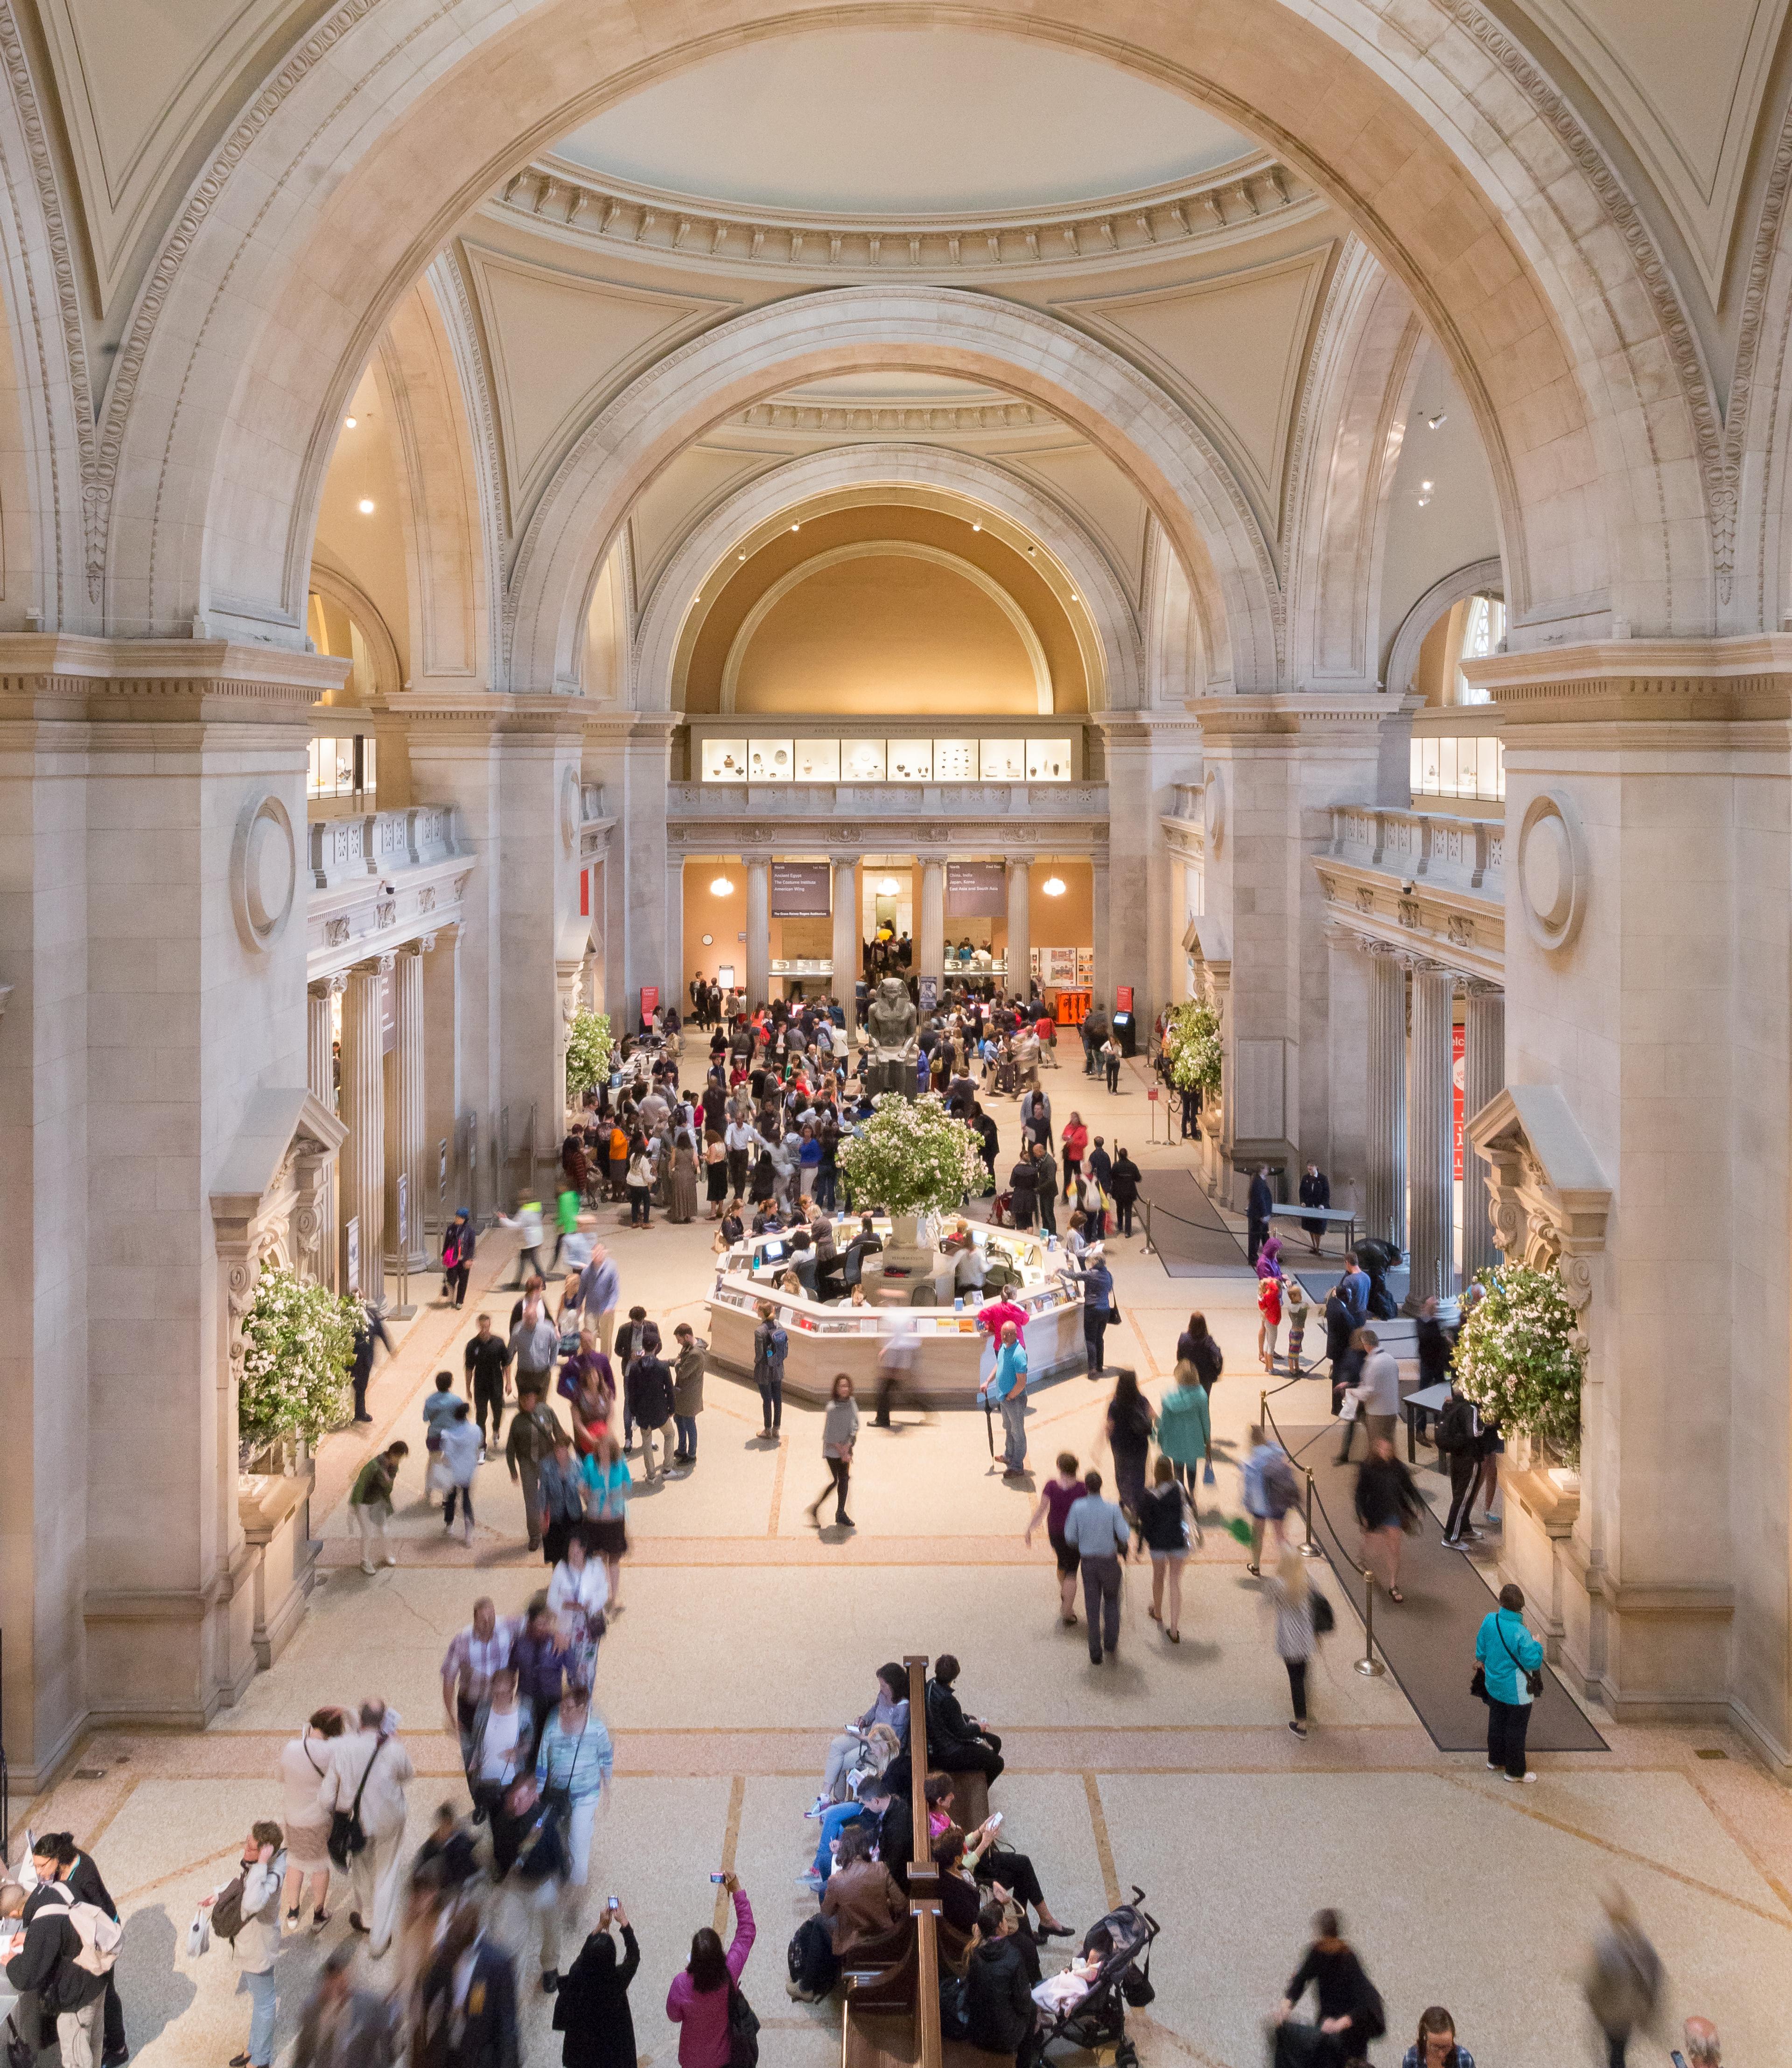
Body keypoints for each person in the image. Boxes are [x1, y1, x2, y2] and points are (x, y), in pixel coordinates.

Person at [21, 1832, 128, 2066]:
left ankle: (119, 2048)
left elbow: (94, 1919)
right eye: (36, 1865)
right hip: (89, 1938)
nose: (39, 1872)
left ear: (57, 1858)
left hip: (101, 1940)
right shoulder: (64, 1867)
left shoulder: (84, 1876)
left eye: (42, 1865)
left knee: (106, 1993)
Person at [319, 1700, 413, 1957]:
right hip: (390, 1820)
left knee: (361, 1870)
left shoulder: (345, 1748)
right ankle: (380, 1939)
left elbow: (326, 1798)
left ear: (361, 1722)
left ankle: (368, 1918)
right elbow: (408, 1775)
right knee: (386, 1874)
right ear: (383, 1722)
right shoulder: (393, 1748)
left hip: (357, 1823)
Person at [1, 1876, 109, 2068]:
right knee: (94, 2044)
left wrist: (11, 1963)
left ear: (15, 1912)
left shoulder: (42, 1927)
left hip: (78, 1999)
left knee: (77, 2060)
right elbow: (65, 1931)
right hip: (98, 1978)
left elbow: (25, 1978)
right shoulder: (61, 1888)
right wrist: (31, 1939)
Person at [212, 1822, 286, 2068]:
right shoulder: (257, 1868)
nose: (246, 1850)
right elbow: (243, 1888)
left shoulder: (269, 1875)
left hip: (259, 1948)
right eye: (247, 1842)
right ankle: (254, 2049)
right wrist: (218, 1896)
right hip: (250, 1946)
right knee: (260, 2001)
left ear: (266, 1852)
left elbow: (253, 1901)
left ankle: (261, 2059)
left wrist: (262, 1863)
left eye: (252, 1847)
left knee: (265, 2004)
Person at [1272, 1909, 1383, 2068]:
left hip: (1351, 2033)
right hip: (1326, 2025)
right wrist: (1287, 2004)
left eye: (1327, 1941)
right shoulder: (1317, 1952)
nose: (1324, 1945)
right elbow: (1300, 1980)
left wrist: (1340, 2024)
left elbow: (1365, 2004)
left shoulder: (1348, 1958)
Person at [412, 1902, 518, 2068]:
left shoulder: (498, 1964)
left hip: (479, 2056)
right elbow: (425, 1996)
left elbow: (507, 2024)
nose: (451, 1953)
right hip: (447, 2050)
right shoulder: (445, 1953)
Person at [664, 1874, 754, 2068]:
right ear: (721, 1954)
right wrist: (737, 1889)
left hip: (691, 2059)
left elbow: (674, 2016)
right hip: (723, 2057)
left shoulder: (681, 1984)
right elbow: (747, 1932)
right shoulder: (730, 1972)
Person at [534, 1684, 614, 1892]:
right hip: (558, 1793)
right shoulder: (552, 1728)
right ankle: (565, 1870)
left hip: (587, 1794)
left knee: (579, 1837)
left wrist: (607, 1789)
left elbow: (606, 1758)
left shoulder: (597, 1730)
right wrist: (539, 1791)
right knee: (561, 1833)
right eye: (563, 1707)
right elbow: (543, 1761)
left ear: (583, 1709)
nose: (564, 1712)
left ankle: (578, 1883)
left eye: (570, 1708)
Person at [553, 1901, 640, 2068]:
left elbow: (584, 1955)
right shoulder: (617, 1980)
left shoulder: (577, 1973)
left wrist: (600, 1926)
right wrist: (625, 1923)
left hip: (582, 2052)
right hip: (612, 2052)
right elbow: (634, 1957)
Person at [281, 1707, 346, 1928]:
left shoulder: (291, 1748)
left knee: (295, 1862)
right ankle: (319, 1914)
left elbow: (279, 1776)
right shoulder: (332, 1753)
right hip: (319, 1820)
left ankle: (293, 1911)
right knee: (320, 1866)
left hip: (293, 1816)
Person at [1582, 1888, 1662, 2068]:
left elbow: (1596, 1985)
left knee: (1615, 2053)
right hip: (1629, 2012)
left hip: (1613, 2015)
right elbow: (1655, 1973)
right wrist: (1651, 2005)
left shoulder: (1606, 1947)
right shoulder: (1642, 1942)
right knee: (1619, 2049)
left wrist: (1596, 2007)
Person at [1475, 1580, 1546, 1782]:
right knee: (1516, 1729)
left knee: (1496, 1721)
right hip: (1517, 1692)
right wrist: (1537, 1644)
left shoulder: (1490, 1620)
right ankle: (1515, 1772)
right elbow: (1533, 1662)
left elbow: (1481, 1647)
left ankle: (1495, 1759)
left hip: (1494, 1685)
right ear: (1521, 1606)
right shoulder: (1521, 1632)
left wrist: (1483, 1660)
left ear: (1501, 1600)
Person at [1063, 1468, 1132, 1664]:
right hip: (1109, 1562)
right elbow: (1125, 1535)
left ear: (1086, 1487)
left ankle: (1095, 1651)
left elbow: (1070, 1536)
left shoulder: (1078, 1507)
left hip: (1088, 1564)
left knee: (1092, 1606)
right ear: (1101, 1486)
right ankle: (1111, 1642)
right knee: (1112, 1601)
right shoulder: (1112, 1509)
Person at [290, 1942, 394, 2068]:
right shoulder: (311, 2009)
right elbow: (303, 2056)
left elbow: (387, 2047)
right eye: (330, 1983)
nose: (335, 1993)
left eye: (342, 1986)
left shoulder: (371, 2006)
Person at [818, 1828, 905, 1960]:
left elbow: (826, 1913)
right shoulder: (881, 1868)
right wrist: (883, 1903)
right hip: (885, 1936)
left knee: (818, 1923)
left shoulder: (835, 1881)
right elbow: (901, 1904)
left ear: (844, 1848)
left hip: (854, 1943)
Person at [1355, 1435, 1421, 1604]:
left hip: (1392, 1513)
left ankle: (1393, 1585)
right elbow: (1360, 1493)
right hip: (1374, 1513)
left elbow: (1409, 1488)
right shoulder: (1367, 1468)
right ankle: (1362, 1559)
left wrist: (1418, 1506)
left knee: (1394, 1549)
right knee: (1372, 1545)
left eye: (1389, 1450)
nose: (1386, 1453)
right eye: (1383, 1449)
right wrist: (1362, 1515)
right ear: (1376, 1450)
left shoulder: (1398, 1468)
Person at [1136, 1456, 1196, 1641]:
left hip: (1158, 1544)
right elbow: (1191, 1508)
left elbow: (1144, 1524)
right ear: (1171, 1471)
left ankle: (1158, 1612)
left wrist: (1139, 1547)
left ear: (1156, 1473)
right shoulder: (1179, 1488)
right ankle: (1175, 1629)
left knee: (1158, 1578)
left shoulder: (1149, 1494)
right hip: (1179, 1541)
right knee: (1175, 1582)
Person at [1024, 1453, 1087, 1626]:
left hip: (1056, 1533)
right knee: (1072, 1572)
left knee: (1062, 1564)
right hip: (1075, 1534)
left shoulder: (1051, 1486)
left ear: (1059, 1467)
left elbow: (1042, 1510)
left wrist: (1030, 1529)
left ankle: (1065, 1593)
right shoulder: (1083, 1488)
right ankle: (1067, 1611)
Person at [964, 1901, 1034, 2058]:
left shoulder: (974, 1953)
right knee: (1033, 2008)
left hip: (977, 2031)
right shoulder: (1013, 1956)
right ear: (1001, 1926)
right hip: (1003, 2038)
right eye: (1004, 1919)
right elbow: (1023, 2002)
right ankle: (1025, 2061)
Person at [505, 1384, 566, 1558]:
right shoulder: (518, 1422)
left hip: (548, 1460)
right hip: (527, 1463)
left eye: (530, 1398)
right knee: (531, 1500)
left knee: (553, 1494)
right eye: (523, 1399)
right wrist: (513, 1470)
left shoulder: (546, 1411)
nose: (526, 1402)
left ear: (536, 1398)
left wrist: (564, 1454)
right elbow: (511, 1448)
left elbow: (558, 1431)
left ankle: (555, 1527)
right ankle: (534, 1534)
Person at [925, 1655, 1005, 1781]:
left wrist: (966, 1718)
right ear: (954, 1677)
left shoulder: (930, 1685)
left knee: (995, 1741)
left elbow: (948, 1718)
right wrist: (979, 1728)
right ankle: (979, 1789)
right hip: (949, 1754)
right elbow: (962, 1733)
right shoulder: (949, 1701)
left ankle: (979, 1770)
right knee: (998, 1763)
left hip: (938, 1740)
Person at [1269, 1546, 1317, 1739]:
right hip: (1305, 1640)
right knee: (1304, 1674)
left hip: (1289, 1642)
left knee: (1295, 1679)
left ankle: (1301, 1723)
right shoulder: (1309, 1581)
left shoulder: (1280, 1585)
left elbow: (1270, 1601)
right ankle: (1308, 1709)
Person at [806, 1373, 859, 1531]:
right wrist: (842, 1450)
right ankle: (816, 1509)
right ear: (836, 1389)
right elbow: (828, 1435)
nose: (844, 1389)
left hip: (846, 1448)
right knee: (838, 1480)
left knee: (843, 1479)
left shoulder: (852, 1403)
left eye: (846, 1386)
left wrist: (848, 1445)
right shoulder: (832, 1408)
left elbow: (855, 1425)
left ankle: (840, 1513)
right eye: (841, 1386)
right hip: (833, 1450)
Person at [624, 1324, 674, 1485]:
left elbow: (631, 1393)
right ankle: (667, 1469)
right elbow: (670, 1390)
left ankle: (651, 1475)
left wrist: (633, 1412)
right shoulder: (663, 1367)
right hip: (660, 1411)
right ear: (657, 1347)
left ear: (643, 1347)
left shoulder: (635, 1369)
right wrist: (672, 1409)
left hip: (643, 1413)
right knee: (670, 1434)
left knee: (646, 1441)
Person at [1156, 1358, 1212, 1499]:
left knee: (1178, 1468)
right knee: (1192, 1468)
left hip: (1175, 1440)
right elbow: (1205, 1419)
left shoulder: (1169, 1396)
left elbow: (1164, 1421)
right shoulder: (1201, 1395)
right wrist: (1208, 1438)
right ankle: (1192, 1495)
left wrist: (1160, 1437)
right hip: (1194, 1439)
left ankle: (1181, 1497)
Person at [1435, 1383, 1483, 1547]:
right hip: (1469, 1458)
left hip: (1456, 1456)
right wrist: (1487, 1424)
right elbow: (1475, 1432)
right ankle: (1451, 1537)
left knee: (1460, 1494)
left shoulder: (1449, 1404)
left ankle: (1464, 1527)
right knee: (1462, 1498)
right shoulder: (1471, 1408)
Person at [348, 1442, 407, 1575]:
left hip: (378, 1502)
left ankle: (387, 1555)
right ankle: (365, 1561)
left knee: (384, 1530)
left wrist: (388, 1482)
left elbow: (388, 1489)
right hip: (363, 1502)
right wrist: (353, 1507)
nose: (399, 1461)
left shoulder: (393, 1468)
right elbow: (360, 1486)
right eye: (399, 1457)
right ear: (392, 1454)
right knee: (368, 1532)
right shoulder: (373, 1467)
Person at [1104, 1368, 1155, 1515]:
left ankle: (1124, 1500)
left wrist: (1107, 1440)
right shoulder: (1141, 1400)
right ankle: (1138, 1504)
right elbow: (1153, 1415)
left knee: (1121, 1473)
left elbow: (1109, 1426)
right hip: (1139, 1444)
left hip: (1120, 1445)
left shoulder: (1114, 1405)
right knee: (1139, 1474)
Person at [981, 1321, 1029, 1476]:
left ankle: (1017, 1466)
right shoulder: (1004, 1347)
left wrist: (1010, 1397)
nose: (1005, 1337)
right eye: (1003, 1334)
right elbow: (999, 1364)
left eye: (1008, 1334)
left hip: (1014, 1400)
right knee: (1008, 1429)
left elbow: (1021, 1383)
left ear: (1016, 1334)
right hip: (1005, 1398)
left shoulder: (1019, 1354)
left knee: (1018, 1432)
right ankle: (1009, 1456)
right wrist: (988, 1380)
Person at [538, 1432, 589, 1567]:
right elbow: (543, 1493)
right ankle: (558, 1581)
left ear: (568, 1450)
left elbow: (583, 1487)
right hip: (555, 1515)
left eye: (562, 1450)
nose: (559, 1454)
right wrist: (542, 1516)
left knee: (575, 1552)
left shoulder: (577, 1464)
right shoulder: (546, 1466)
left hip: (574, 1515)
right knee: (556, 1555)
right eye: (557, 1450)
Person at [464, 1314, 512, 1454]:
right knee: (481, 1416)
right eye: (482, 1327)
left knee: (498, 1412)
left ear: (490, 1326)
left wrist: (509, 1383)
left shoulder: (498, 1343)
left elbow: (506, 1364)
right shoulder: (472, 1345)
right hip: (480, 1386)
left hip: (496, 1384)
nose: (485, 1330)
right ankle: (482, 1447)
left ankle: (496, 1429)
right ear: (478, 1326)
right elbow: (469, 1368)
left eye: (487, 1327)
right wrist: (468, 1388)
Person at [1064, 1246, 1114, 1378]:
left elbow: (1073, 1276)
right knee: (1100, 1338)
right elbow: (1109, 1289)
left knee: (1090, 1339)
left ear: (1095, 1263)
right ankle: (1100, 1365)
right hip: (1105, 1310)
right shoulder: (1109, 1275)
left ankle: (1092, 1369)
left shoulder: (1090, 1274)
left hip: (1092, 1309)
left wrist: (1060, 1270)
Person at [1349, 1327, 1400, 1450]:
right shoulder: (1390, 1359)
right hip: (1392, 1410)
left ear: (1366, 1344)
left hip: (1377, 1413)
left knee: (1377, 1448)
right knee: (1389, 1446)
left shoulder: (1373, 1363)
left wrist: (1352, 1391)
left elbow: (1369, 1392)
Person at [440, 1399, 483, 1543]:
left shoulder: (448, 1433)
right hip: (468, 1470)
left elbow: (446, 1453)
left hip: (453, 1471)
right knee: (466, 1499)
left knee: (451, 1498)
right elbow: (479, 1445)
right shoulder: (476, 1430)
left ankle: (449, 1524)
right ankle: (468, 1534)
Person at [348, 1303, 395, 1424]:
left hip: (366, 1358)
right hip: (352, 1359)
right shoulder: (348, 1317)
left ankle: (360, 1412)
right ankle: (359, 1412)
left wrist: (391, 1349)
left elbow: (381, 1331)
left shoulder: (371, 1313)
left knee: (362, 1386)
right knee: (359, 1386)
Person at [574, 1248, 621, 1357]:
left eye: (599, 1254)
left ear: (604, 1253)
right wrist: (579, 1305)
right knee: (590, 1335)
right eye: (595, 1255)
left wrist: (610, 1306)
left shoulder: (611, 1268)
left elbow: (615, 1291)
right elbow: (582, 1290)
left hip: (606, 1310)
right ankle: (591, 1359)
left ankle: (605, 1362)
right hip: (591, 1309)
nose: (597, 1257)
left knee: (606, 1337)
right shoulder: (587, 1271)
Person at [670, 1322, 705, 1466]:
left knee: (689, 1423)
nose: (678, 1342)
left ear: (687, 1336)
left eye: (679, 1339)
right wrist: (668, 1362)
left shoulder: (696, 1354)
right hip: (682, 1394)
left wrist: (677, 1364)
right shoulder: (688, 1346)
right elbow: (679, 1361)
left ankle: (692, 1454)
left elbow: (683, 1372)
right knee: (679, 1419)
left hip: (690, 1396)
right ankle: (682, 1448)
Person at [751, 1301, 786, 1440]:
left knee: (767, 1400)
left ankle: (767, 1430)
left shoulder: (759, 1331)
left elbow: (759, 1354)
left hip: (764, 1370)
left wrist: (756, 1362)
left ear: (761, 1313)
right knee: (778, 1398)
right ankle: (776, 1429)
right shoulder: (778, 1325)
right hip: (777, 1367)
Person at [1400, 2005, 1475, 2068]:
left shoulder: (1464, 2059)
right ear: (1425, 2038)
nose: (1441, 2054)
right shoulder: (1412, 2058)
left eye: (1447, 2047)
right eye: (1435, 2047)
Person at [442, 1209, 475, 1308]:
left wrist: (469, 1259)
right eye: (456, 1217)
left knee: (463, 1281)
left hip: (464, 1260)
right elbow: (447, 1243)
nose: (456, 1219)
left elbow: (471, 1246)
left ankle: (459, 1301)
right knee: (451, 1278)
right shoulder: (451, 1229)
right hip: (453, 1259)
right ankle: (450, 1291)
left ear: (464, 1219)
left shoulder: (470, 1231)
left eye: (459, 1218)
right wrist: (444, 1255)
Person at [1297, 1164, 1330, 1255]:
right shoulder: (1305, 1178)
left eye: (1311, 1169)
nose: (1310, 1171)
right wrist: (1302, 1202)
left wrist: (1323, 1205)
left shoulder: (1323, 1178)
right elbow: (1302, 1192)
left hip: (1320, 1208)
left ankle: (1318, 1248)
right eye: (1308, 1169)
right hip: (1309, 1207)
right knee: (1311, 1228)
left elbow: (1326, 1193)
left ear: (1316, 1168)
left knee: (1318, 1230)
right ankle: (1314, 1247)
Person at [1108, 1146, 1141, 1237]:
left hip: (1118, 1192)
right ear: (1127, 1155)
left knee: (1119, 1209)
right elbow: (1138, 1178)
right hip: (1129, 1192)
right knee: (1128, 1211)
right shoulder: (1132, 1166)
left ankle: (1120, 1226)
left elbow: (1112, 1176)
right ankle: (1128, 1231)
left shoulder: (1116, 1166)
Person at [1246, 1165, 1274, 1266]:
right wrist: (1264, 1214)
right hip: (1259, 1215)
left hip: (1261, 1214)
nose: (1268, 1170)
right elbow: (1260, 1199)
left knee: (1265, 1236)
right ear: (1262, 1170)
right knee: (1255, 1238)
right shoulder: (1258, 1182)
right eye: (1266, 1168)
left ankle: (1269, 1256)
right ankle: (1253, 1258)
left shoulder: (1260, 1180)